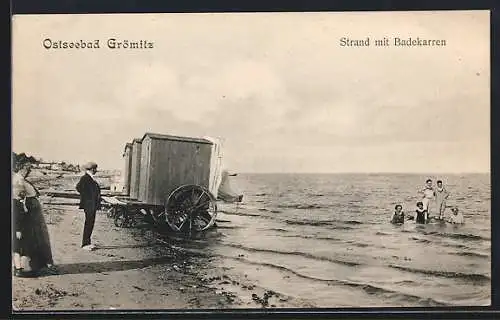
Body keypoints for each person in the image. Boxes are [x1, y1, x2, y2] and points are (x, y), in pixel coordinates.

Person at [12, 159, 55, 277]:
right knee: (31, 241)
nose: (29, 170)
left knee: (37, 239)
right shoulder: (17, 180)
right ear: (20, 167)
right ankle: (27, 267)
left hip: (32, 214)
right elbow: (18, 202)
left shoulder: (21, 179)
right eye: (27, 168)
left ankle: (36, 265)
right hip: (29, 215)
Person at [76, 162, 101, 251]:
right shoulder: (85, 178)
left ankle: (88, 242)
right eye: (95, 169)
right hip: (89, 204)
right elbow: (78, 188)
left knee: (90, 223)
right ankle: (85, 244)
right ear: (91, 169)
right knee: (88, 223)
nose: (96, 171)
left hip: (91, 205)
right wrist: (88, 197)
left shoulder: (90, 178)